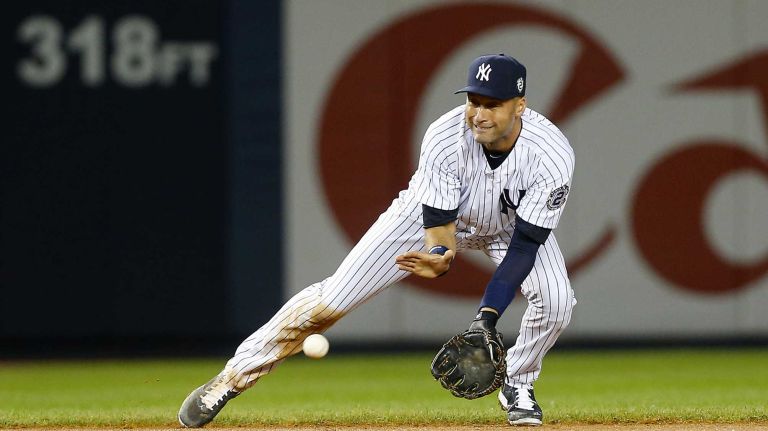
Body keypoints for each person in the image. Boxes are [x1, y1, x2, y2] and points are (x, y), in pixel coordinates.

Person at [178, 53, 576, 428]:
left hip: (510, 230)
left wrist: (486, 317)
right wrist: (440, 254)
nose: (479, 113)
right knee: (330, 302)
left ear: (520, 106)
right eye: (474, 100)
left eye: (493, 104)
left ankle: (518, 383)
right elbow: (440, 227)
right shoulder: (444, 136)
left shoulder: (552, 156)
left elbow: (525, 246)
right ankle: (230, 379)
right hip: (420, 219)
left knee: (557, 302)